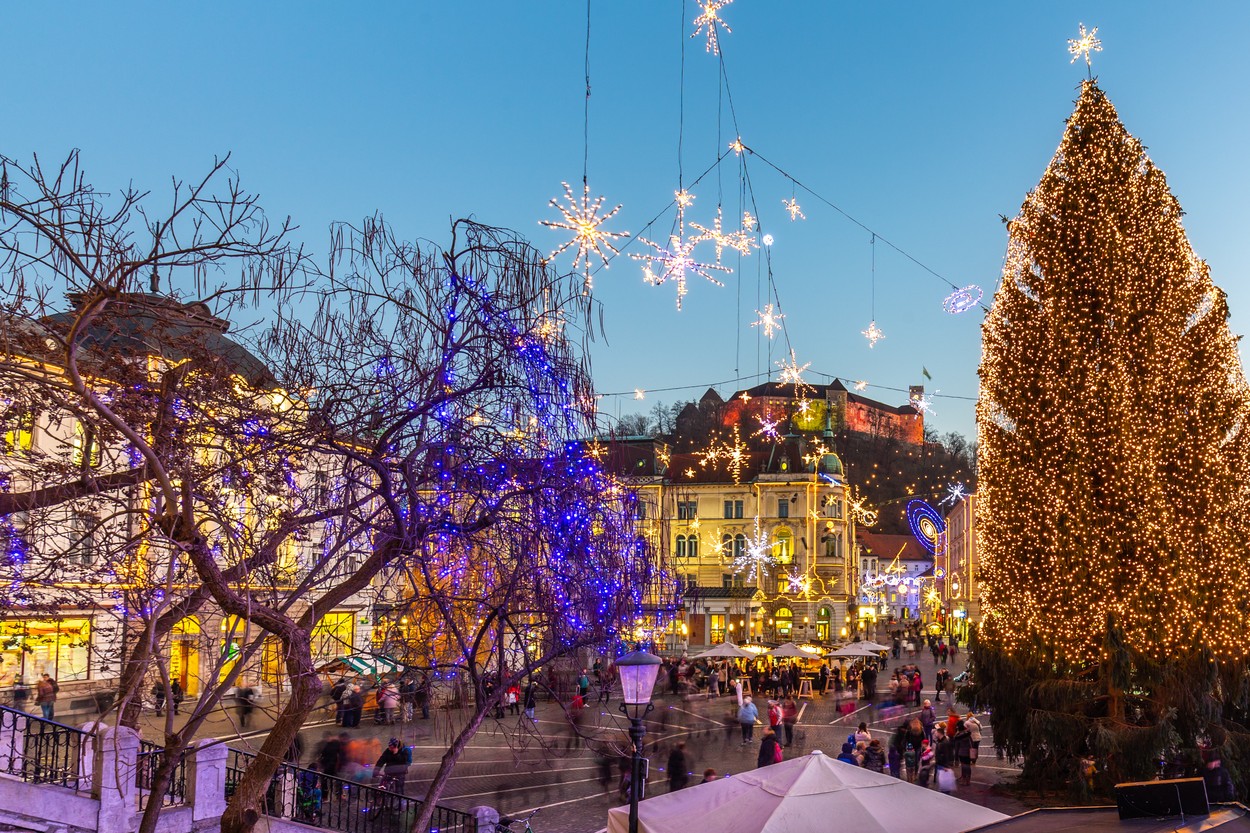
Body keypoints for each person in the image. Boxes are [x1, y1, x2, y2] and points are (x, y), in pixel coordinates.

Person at [952, 719, 973, 786]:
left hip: (962, 752)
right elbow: (971, 742)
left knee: (964, 765)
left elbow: (957, 747)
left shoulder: (958, 736)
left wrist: (956, 758)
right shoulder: (967, 734)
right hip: (968, 752)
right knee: (968, 765)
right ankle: (967, 779)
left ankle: (964, 779)